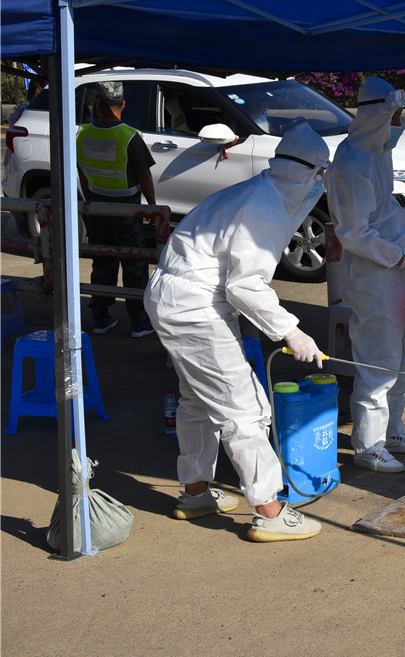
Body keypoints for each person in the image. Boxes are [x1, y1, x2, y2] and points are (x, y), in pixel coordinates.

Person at [144, 123, 328, 542]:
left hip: (179, 297)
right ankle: (270, 511)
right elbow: (244, 285)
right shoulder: (265, 206)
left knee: (197, 400)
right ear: (309, 171)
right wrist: (291, 331)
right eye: (321, 174)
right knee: (244, 409)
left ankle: (195, 493)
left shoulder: (261, 191)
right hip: (193, 307)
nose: (322, 184)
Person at [325, 77, 405, 474]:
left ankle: (391, 431)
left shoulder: (378, 152)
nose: (400, 124)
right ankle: (369, 445)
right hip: (373, 276)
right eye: (396, 116)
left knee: (404, 357)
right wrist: (403, 261)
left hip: (395, 269)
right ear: (377, 115)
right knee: (378, 361)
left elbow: (385, 215)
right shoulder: (351, 162)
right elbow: (354, 233)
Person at [76, 81, 156, 337]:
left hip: (97, 206)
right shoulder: (129, 136)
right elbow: (144, 176)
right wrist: (152, 207)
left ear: (98, 104)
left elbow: (82, 172)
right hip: (127, 209)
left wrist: (90, 198)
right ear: (123, 104)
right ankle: (139, 322)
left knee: (102, 261)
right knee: (134, 263)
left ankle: (100, 319)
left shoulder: (82, 134)